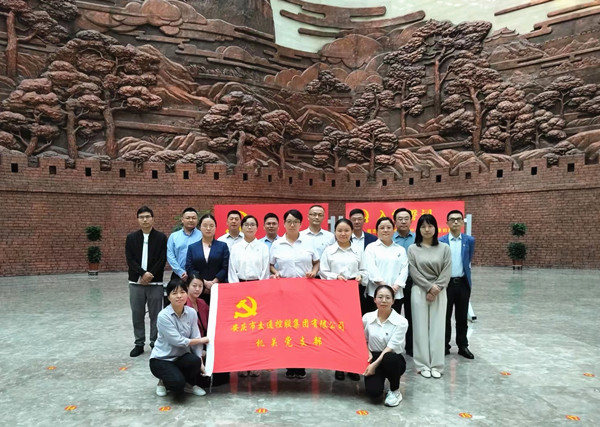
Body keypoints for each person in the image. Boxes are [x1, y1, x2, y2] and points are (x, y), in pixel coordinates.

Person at [270, 209, 319, 379]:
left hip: (305, 291)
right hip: (284, 292)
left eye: (296, 222)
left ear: (300, 223)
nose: (292, 224)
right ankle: (289, 365)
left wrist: (314, 272)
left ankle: (301, 364)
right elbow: (270, 264)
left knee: (303, 327)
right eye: (289, 221)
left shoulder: (308, 242)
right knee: (287, 328)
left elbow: (317, 262)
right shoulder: (277, 244)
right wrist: (275, 272)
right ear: (284, 224)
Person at [320, 218, 365, 381]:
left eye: (346, 230)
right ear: (335, 232)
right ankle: (339, 366)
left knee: (353, 329)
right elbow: (323, 271)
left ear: (352, 232)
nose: (343, 233)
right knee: (337, 329)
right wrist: (335, 277)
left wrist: (361, 276)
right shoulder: (328, 251)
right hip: (335, 293)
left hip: (354, 292)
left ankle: (352, 366)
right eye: (340, 230)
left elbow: (364, 270)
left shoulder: (358, 250)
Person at [408, 214, 451, 379]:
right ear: (418, 229)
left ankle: (437, 365)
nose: (427, 229)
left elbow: (446, 270)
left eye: (430, 226)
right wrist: (428, 287)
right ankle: (422, 364)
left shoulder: (444, 248)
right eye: (423, 226)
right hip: (419, 291)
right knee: (420, 328)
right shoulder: (413, 249)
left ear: (435, 228)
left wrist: (436, 288)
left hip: (440, 291)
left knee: (438, 328)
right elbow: (413, 271)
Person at [150, 278, 208, 397]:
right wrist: (201, 340)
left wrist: (200, 362)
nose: (179, 296)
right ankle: (162, 381)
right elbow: (178, 341)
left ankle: (189, 384)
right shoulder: (163, 316)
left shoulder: (191, 313)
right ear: (168, 296)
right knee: (177, 385)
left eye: (182, 292)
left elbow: (195, 336)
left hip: (180, 357)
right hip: (162, 359)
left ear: (187, 294)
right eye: (174, 293)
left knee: (195, 361)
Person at [125, 206, 167, 357]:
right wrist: (142, 274)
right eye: (141, 217)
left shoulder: (161, 238)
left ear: (153, 219)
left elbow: (162, 259)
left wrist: (150, 275)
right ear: (138, 220)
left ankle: (155, 342)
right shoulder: (131, 238)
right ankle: (139, 343)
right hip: (136, 283)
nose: (145, 220)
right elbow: (130, 259)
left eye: (147, 216)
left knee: (156, 315)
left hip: (155, 283)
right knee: (137, 313)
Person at [363, 285, 408, 407]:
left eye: (388, 297)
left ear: (393, 301)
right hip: (373, 355)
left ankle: (395, 390)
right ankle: (380, 382)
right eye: (380, 297)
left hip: (393, 358)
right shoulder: (367, 318)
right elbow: (363, 339)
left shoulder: (401, 322)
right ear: (374, 299)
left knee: (389, 358)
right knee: (374, 393)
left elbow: (390, 347)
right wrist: (368, 353)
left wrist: (373, 365)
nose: (384, 300)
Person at [439, 210, 475, 359]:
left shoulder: (469, 240)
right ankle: (444, 345)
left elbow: (468, 259)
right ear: (447, 223)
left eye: (458, 219)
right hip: (446, 285)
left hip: (462, 283)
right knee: (445, 316)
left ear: (462, 222)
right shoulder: (441, 241)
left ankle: (463, 346)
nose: (455, 222)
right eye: (452, 219)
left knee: (461, 317)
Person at [362, 217, 408, 315]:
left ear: (393, 230)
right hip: (375, 293)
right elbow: (371, 268)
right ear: (377, 231)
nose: (385, 230)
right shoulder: (371, 248)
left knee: (394, 321)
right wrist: (385, 287)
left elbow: (405, 269)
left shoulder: (400, 249)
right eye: (382, 228)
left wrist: (396, 286)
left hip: (396, 294)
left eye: (389, 227)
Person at [186, 214, 229, 306]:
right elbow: (190, 268)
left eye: (211, 226)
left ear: (215, 227)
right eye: (205, 225)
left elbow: (225, 267)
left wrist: (214, 282)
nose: (208, 228)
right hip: (198, 289)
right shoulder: (192, 247)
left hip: (218, 287)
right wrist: (204, 282)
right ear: (200, 227)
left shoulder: (223, 246)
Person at [392, 207, 416, 356]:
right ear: (395, 221)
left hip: (413, 283)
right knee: (393, 316)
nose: (403, 221)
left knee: (412, 316)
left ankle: (411, 347)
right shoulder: (389, 238)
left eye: (406, 218)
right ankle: (392, 347)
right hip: (394, 285)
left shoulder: (417, 238)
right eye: (400, 219)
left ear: (411, 221)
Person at [228, 215, 270, 283]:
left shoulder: (263, 247)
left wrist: (262, 286)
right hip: (240, 285)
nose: (249, 227)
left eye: (252, 225)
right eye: (246, 225)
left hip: (258, 285)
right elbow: (232, 271)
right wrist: (236, 287)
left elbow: (265, 271)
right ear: (241, 228)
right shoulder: (235, 248)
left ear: (257, 228)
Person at [167, 207, 201, 282]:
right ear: (182, 220)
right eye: (188, 218)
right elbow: (170, 256)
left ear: (197, 220)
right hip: (178, 275)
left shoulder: (202, 236)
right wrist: (180, 272)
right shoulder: (174, 236)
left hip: (198, 275)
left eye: (193, 218)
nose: (191, 220)